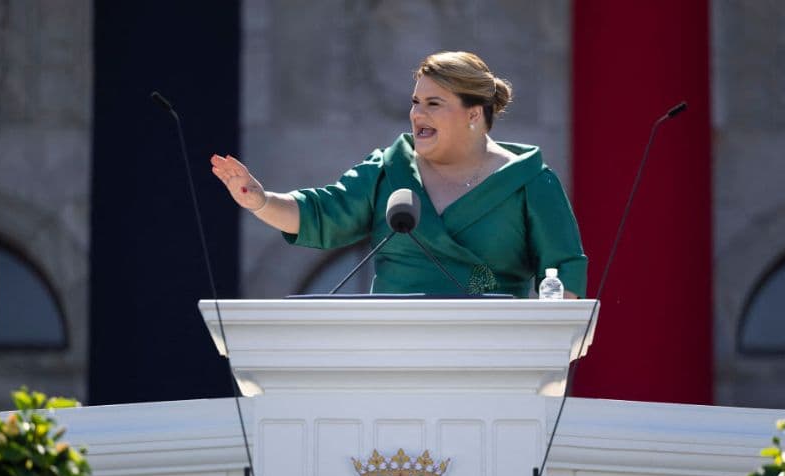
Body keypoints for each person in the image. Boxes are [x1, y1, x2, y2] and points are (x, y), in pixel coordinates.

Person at [211, 51, 586, 298]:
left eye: (434, 104)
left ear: (473, 114)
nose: (418, 114)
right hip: (394, 347)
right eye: (416, 102)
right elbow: (320, 214)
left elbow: (564, 269)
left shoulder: (530, 181)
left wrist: (553, 341)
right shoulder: (390, 170)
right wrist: (260, 200)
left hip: (495, 351)